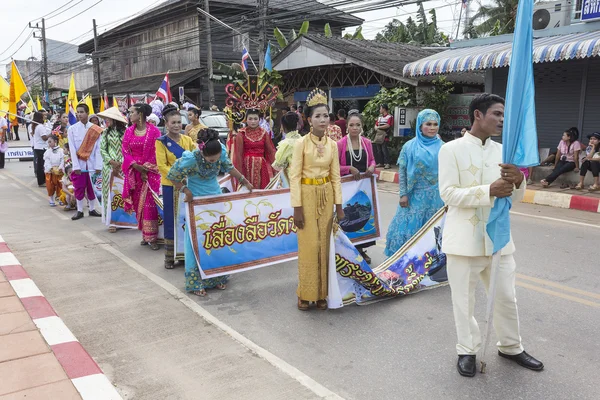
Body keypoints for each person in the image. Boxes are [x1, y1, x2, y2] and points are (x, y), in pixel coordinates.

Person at [438, 93, 543, 378]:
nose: (501, 120)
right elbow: (447, 194)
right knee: (464, 300)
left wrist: (519, 181)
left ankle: (511, 347)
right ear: (478, 115)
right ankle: (467, 350)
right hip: (464, 240)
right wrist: (487, 191)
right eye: (496, 114)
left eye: (503, 115)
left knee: (506, 297)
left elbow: (515, 198)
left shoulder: (503, 152)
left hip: (499, 237)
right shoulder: (451, 150)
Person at [167, 128, 253, 296]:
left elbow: (230, 168)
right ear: (202, 152)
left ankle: (217, 278)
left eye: (217, 158)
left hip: (215, 200)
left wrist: (245, 181)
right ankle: (196, 282)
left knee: (216, 238)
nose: (215, 162)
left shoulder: (220, 153)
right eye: (211, 159)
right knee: (196, 241)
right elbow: (172, 176)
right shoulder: (191, 159)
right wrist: (186, 190)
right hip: (196, 202)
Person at [289, 88, 344, 311]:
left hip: (327, 195)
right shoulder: (301, 143)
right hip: (306, 195)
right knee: (309, 245)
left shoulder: (332, 145)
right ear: (309, 119)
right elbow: (294, 177)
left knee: (325, 245)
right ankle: (305, 292)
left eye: (326, 115)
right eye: (318, 116)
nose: (323, 119)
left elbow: (336, 176)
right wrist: (297, 208)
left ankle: (322, 293)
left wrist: (339, 207)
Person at [384, 109, 445, 257]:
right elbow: (403, 172)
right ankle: (406, 261)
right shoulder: (409, 146)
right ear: (420, 126)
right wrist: (403, 194)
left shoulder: (444, 147)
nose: (432, 128)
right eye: (428, 124)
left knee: (434, 230)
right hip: (414, 196)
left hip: (437, 198)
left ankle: (432, 264)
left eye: (435, 124)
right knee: (409, 230)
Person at [156, 104, 196, 269]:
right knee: (171, 221)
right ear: (166, 124)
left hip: (188, 184)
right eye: (173, 122)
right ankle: (169, 257)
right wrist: (178, 176)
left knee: (186, 220)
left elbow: (196, 157)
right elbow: (162, 166)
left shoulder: (187, 140)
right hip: (171, 186)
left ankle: (184, 254)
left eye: (179, 122)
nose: (177, 125)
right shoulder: (161, 142)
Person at [337, 112, 376, 263]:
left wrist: (372, 167)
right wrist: (349, 169)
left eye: (358, 125)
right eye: (352, 125)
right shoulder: (341, 144)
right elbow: (335, 166)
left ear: (362, 127)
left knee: (363, 217)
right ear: (346, 127)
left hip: (363, 187)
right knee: (348, 218)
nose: (355, 128)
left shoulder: (367, 143)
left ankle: (361, 250)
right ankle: (348, 251)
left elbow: (372, 160)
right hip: (347, 188)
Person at [122, 103, 162, 250]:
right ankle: (144, 235)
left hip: (150, 173)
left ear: (140, 114)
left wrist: (146, 169)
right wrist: (135, 165)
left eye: (131, 112)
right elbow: (125, 151)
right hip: (134, 173)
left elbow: (157, 152)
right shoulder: (128, 132)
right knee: (138, 203)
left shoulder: (154, 132)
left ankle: (152, 237)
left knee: (149, 205)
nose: (129, 115)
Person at [67, 104, 103, 220]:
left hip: (92, 164)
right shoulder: (72, 129)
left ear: (87, 113)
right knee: (79, 187)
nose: (79, 114)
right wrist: (76, 166)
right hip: (80, 164)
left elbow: (98, 149)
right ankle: (79, 210)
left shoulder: (96, 129)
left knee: (92, 187)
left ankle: (92, 209)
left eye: (82, 112)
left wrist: (98, 165)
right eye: (78, 112)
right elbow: (72, 149)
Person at [98, 107, 128, 233]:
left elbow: (127, 148)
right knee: (109, 194)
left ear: (115, 119)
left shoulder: (125, 132)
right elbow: (102, 149)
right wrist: (111, 162)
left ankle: (125, 219)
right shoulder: (105, 133)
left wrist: (121, 163)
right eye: (105, 119)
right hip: (108, 167)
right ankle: (111, 222)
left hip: (123, 167)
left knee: (122, 194)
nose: (106, 121)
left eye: (108, 119)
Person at [231, 108, 276, 189]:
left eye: (255, 119)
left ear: (259, 119)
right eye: (250, 119)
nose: (253, 121)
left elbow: (270, 152)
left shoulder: (264, 133)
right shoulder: (241, 134)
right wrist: (240, 175)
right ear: (246, 119)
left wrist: (276, 169)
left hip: (261, 168)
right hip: (246, 168)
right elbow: (238, 155)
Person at [272, 112, 301, 181]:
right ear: (297, 125)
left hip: (291, 178)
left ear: (283, 127)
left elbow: (278, 164)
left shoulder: (286, 144)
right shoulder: (303, 140)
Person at [43, 134, 64, 207]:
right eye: (48, 142)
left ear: (55, 141)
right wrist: (50, 168)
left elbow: (62, 160)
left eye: (50, 142)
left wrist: (61, 167)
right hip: (50, 172)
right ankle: (51, 199)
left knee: (60, 185)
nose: (49, 143)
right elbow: (47, 160)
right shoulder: (47, 152)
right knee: (50, 186)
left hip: (59, 171)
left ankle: (61, 198)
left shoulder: (61, 151)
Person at [32, 111, 50, 187]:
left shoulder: (37, 126)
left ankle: (41, 181)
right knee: (42, 165)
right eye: (43, 116)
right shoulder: (40, 127)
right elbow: (44, 138)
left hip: (38, 147)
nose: (45, 117)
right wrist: (52, 133)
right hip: (41, 148)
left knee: (40, 165)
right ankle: (42, 181)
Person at [373, 103, 393, 169]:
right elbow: (376, 125)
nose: (379, 110)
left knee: (384, 149)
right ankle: (381, 163)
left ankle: (388, 163)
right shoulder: (379, 118)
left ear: (384, 109)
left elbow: (388, 125)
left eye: (380, 108)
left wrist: (378, 127)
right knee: (379, 150)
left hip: (385, 135)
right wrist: (376, 127)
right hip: (378, 135)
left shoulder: (390, 117)